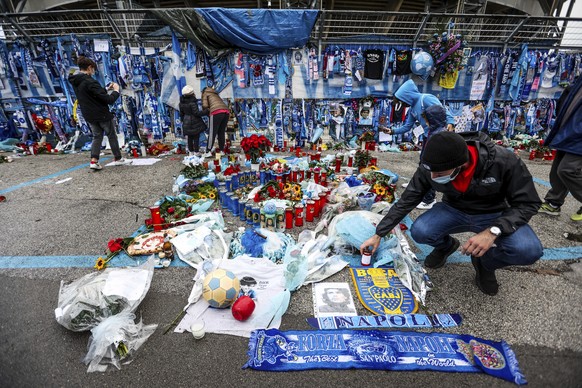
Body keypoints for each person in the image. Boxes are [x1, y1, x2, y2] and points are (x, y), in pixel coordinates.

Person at [360, 131, 543, 296]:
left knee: (529, 250)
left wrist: (493, 231)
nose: (433, 178)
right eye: (430, 172)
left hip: (494, 214)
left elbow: (528, 203)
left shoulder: (504, 161)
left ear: (461, 164)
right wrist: (379, 234)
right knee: (421, 231)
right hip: (453, 209)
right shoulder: (432, 164)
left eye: (439, 173)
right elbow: (408, 199)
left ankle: (485, 263)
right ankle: (446, 246)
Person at [381, 80, 455, 209]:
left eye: (401, 100)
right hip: (428, 137)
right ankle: (416, 185)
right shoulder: (412, 109)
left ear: (407, 96)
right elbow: (407, 127)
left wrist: (451, 123)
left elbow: (443, 112)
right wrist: (392, 131)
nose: (401, 104)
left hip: (438, 136)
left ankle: (429, 199)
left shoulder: (425, 99)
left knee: (429, 166)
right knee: (422, 163)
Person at [68, 56, 130, 170]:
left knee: (97, 136)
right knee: (111, 135)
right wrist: (116, 90)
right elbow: (108, 100)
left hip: (88, 114)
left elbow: (93, 93)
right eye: (93, 69)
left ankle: (94, 160)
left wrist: (105, 89)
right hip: (101, 113)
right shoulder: (90, 81)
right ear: (90, 67)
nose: (94, 72)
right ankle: (118, 158)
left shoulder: (75, 81)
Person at [537, 75, 582, 221]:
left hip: (577, 134)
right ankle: (553, 203)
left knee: (567, 169)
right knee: (557, 170)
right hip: (568, 130)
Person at [179, 85, 208, 155]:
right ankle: (196, 152)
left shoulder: (181, 103)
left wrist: (183, 121)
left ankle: (190, 152)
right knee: (196, 137)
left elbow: (181, 114)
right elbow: (196, 113)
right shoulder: (192, 102)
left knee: (189, 137)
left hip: (186, 121)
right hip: (194, 121)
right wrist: (206, 111)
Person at [201, 86, 229, 157]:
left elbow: (205, 105)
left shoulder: (205, 93)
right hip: (226, 112)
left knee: (212, 133)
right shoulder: (214, 93)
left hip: (216, 112)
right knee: (221, 132)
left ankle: (208, 151)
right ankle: (222, 150)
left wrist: (205, 112)